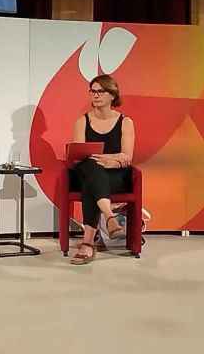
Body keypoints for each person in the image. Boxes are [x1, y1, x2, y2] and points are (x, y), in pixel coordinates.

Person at [68, 74, 135, 265]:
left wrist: (110, 160)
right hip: (88, 172)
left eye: (100, 91)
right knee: (90, 166)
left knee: (93, 181)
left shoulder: (126, 122)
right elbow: (80, 154)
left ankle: (88, 243)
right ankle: (109, 217)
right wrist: (110, 159)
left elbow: (127, 156)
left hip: (115, 177)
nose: (95, 95)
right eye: (93, 91)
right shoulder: (82, 121)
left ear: (112, 95)